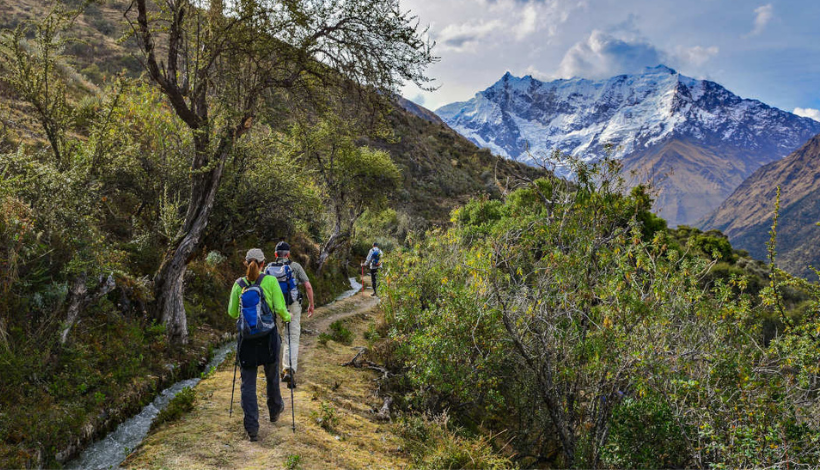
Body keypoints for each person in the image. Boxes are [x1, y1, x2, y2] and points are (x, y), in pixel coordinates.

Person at [228, 248, 291, 442]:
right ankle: (274, 410)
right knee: (272, 376)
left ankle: (252, 429)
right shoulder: (270, 281)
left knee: (248, 383)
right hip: (268, 338)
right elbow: (280, 308)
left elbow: (232, 313)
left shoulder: (238, 284)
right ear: (263, 263)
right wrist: (288, 317)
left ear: (246, 263)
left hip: (247, 340)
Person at [265, 240, 314, 388]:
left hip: (275, 307)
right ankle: (288, 369)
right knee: (291, 337)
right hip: (292, 306)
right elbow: (308, 286)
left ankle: (276, 371)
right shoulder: (295, 267)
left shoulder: (268, 268)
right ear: (288, 254)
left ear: (275, 254)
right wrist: (311, 304)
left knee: (277, 338)